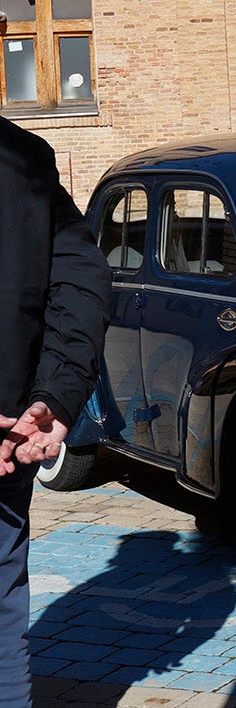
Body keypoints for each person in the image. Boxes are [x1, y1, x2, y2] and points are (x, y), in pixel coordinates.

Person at [0, 116, 111, 706]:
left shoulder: (24, 158)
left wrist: (53, 397)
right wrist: (51, 399)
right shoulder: (24, 156)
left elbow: (79, 275)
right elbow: (80, 277)